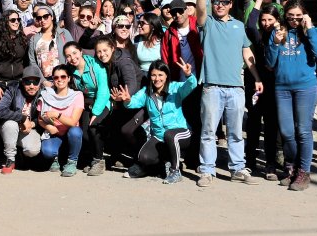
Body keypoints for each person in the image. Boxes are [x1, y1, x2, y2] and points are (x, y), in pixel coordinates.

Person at [193, 0, 264, 187]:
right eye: (216, 1)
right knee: (208, 133)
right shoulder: (208, 24)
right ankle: (207, 171)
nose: (220, 5)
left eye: (224, 2)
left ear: (231, 4)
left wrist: (257, 77)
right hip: (212, 86)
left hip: (236, 88)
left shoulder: (238, 26)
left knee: (235, 133)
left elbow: (246, 52)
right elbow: (199, 12)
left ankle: (238, 169)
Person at [265, 0, 317, 191]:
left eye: (298, 17)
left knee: (303, 131)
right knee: (287, 132)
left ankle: (303, 172)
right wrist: (275, 42)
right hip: (282, 88)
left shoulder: (308, 31)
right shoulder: (278, 31)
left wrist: (310, 28)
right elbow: (269, 63)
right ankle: (291, 166)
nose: (294, 21)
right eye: (291, 16)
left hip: (305, 87)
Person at [111, 58, 198, 184]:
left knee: (170, 135)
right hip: (159, 137)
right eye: (153, 75)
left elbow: (191, 85)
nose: (157, 79)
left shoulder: (175, 88)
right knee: (144, 157)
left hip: (181, 133)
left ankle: (175, 171)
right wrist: (127, 100)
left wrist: (188, 75)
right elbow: (134, 102)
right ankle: (164, 164)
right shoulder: (147, 92)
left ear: (166, 75)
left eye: (160, 75)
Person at [244, 3, 280, 180]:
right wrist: (256, 4)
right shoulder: (258, 38)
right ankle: (250, 162)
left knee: (272, 126)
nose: (266, 23)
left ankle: (270, 165)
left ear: (277, 20)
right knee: (253, 123)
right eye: (263, 20)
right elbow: (250, 25)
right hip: (256, 84)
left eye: (270, 20)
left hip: (274, 87)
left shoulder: (281, 37)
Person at [63, 42, 110, 176]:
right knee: (84, 133)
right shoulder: (70, 69)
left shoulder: (95, 65)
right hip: (85, 102)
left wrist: (96, 112)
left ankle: (99, 161)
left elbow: (103, 90)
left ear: (80, 51)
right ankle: (91, 158)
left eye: (74, 53)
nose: (72, 58)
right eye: (68, 56)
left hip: (102, 101)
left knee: (94, 127)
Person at [36, 64, 85, 177]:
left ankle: (72, 162)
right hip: (54, 132)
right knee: (47, 152)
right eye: (56, 77)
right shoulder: (46, 95)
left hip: (70, 133)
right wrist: (48, 127)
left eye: (63, 77)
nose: (60, 80)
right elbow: (40, 119)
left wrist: (57, 115)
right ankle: (55, 158)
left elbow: (73, 122)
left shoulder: (77, 96)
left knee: (75, 131)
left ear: (69, 78)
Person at [0, 65, 44, 173]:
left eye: (35, 82)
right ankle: (10, 159)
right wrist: (22, 118)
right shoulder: (13, 89)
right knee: (10, 125)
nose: (32, 86)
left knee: (33, 150)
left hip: (29, 129)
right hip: (11, 128)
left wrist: (32, 124)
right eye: (28, 82)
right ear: (22, 82)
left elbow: (44, 116)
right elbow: (0, 111)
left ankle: (20, 153)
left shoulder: (44, 93)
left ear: (40, 83)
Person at [28, 5, 74, 79]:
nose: (42, 20)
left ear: (52, 17)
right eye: (39, 18)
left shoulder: (64, 33)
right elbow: (32, 62)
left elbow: (73, 53)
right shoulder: (34, 39)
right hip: (45, 80)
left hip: (63, 78)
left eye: (45, 16)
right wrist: (43, 81)